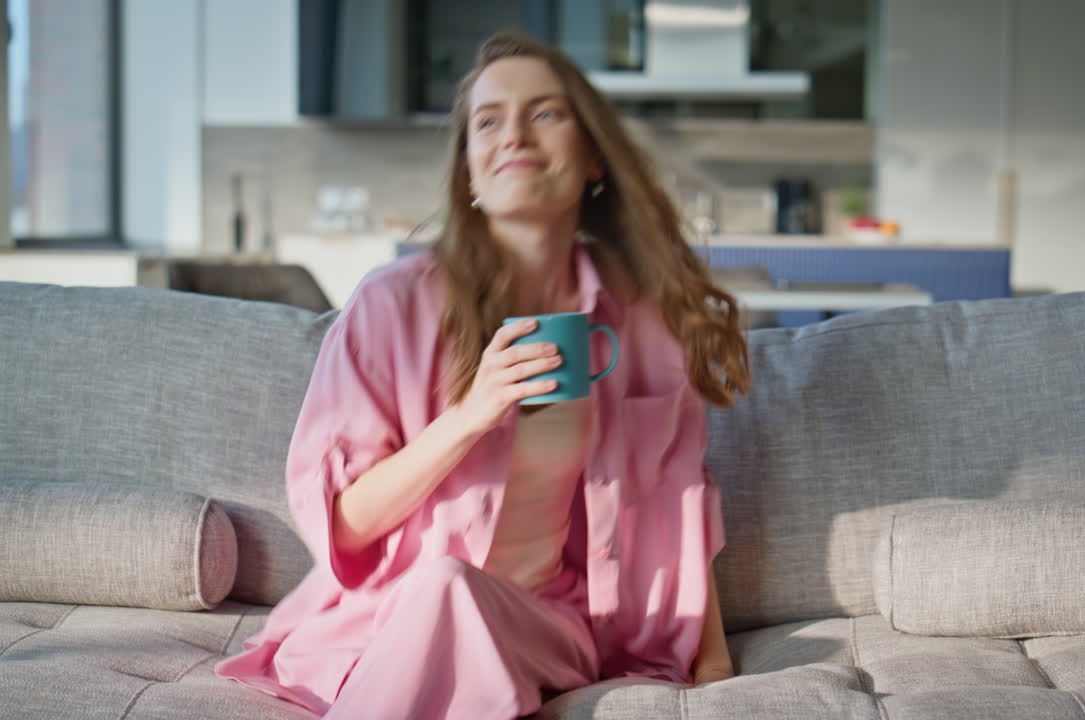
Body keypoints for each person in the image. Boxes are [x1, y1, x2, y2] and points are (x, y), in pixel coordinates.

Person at [215, 31, 751, 720]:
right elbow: (343, 525)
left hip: (546, 628)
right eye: (488, 120)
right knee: (444, 587)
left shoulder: (637, 323)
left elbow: (680, 506)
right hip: (391, 620)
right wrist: (470, 415)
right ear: (470, 170)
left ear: (592, 157)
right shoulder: (391, 306)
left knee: (455, 592)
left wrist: (717, 673)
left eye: (546, 113)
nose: (515, 134)